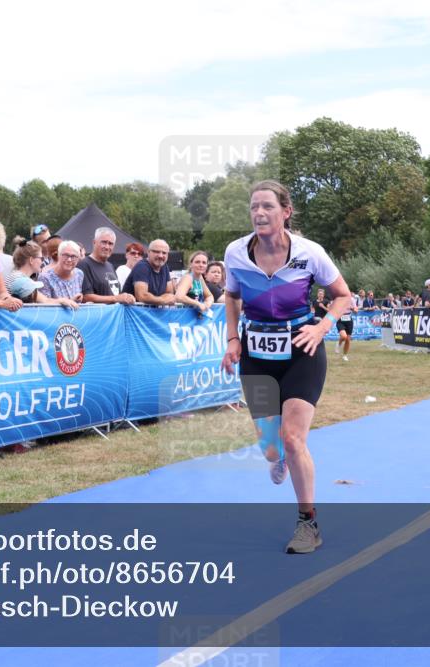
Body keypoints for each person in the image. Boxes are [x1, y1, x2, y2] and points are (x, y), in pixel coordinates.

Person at [220, 180, 351, 555]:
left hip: (301, 350)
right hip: (256, 355)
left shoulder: (310, 253)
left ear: (286, 212)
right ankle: (277, 458)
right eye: (254, 207)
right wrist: (233, 339)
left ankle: (308, 524)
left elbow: (343, 295)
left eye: (267, 206)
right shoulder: (235, 253)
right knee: (272, 450)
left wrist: (322, 327)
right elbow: (231, 296)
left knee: (294, 439)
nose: (259, 213)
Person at [6, 239, 80, 308]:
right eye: (41, 258)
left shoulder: (17, 276)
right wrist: (63, 301)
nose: (42, 262)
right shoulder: (21, 281)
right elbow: (45, 301)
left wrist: (67, 301)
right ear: (31, 260)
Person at [78, 228, 136, 305]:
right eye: (104, 242)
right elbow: (86, 297)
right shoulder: (84, 265)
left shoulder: (110, 266)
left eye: (110, 244)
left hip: (114, 312)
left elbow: (116, 294)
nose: (107, 247)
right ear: (94, 242)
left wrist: (126, 297)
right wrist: (116, 298)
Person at [121, 239, 176, 305]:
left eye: (164, 253)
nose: (160, 256)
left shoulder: (164, 267)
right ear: (148, 252)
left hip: (150, 311)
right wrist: (163, 301)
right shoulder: (142, 267)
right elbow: (142, 296)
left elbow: (169, 293)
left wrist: (159, 300)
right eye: (157, 252)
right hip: (133, 311)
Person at [175, 250, 214, 316]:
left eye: (204, 263)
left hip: (193, 317)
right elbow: (179, 297)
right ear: (191, 264)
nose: (201, 265)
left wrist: (207, 304)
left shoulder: (200, 278)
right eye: (197, 262)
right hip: (182, 316)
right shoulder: (188, 277)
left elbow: (209, 296)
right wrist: (198, 304)